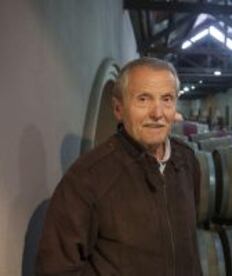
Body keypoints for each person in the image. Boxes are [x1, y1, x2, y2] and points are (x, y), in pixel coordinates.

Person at [36, 57, 202, 275]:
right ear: (118, 109)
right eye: (143, 99)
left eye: (167, 99)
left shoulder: (187, 161)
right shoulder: (87, 177)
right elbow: (55, 270)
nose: (158, 113)